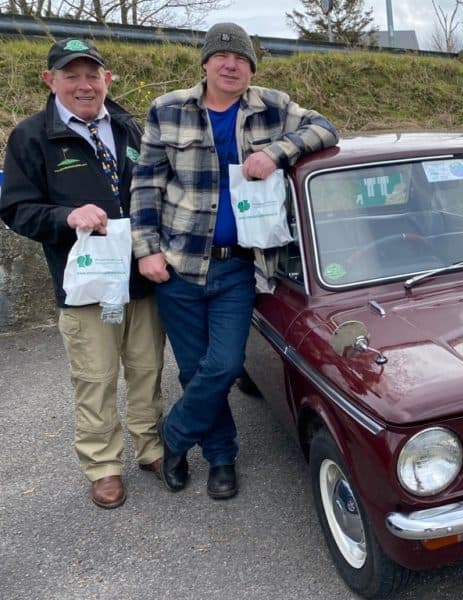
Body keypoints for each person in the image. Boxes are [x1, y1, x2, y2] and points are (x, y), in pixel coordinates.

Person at [131, 23, 339, 500]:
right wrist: (147, 251)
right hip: (178, 265)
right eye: (222, 57)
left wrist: (276, 152)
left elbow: (325, 128)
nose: (232, 65)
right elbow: (145, 184)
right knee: (192, 370)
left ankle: (175, 438)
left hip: (238, 267)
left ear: (251, 68)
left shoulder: (273, 105)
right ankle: (222, 457)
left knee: (223, 365)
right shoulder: (167, 109)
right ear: (204, 63)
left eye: (242, 59)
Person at [0, 39, 165, 509]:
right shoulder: (32, 137)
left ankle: (151, 447)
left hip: (141, 280)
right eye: (71, 76)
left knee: (147, 370)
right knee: (95, 378)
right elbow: (15, 209)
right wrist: (65, 218)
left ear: (107, 79)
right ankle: (103, 466)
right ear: (50, 81)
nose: (84, 85)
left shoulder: (131, 128)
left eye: (92, 74)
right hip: (87, 286)